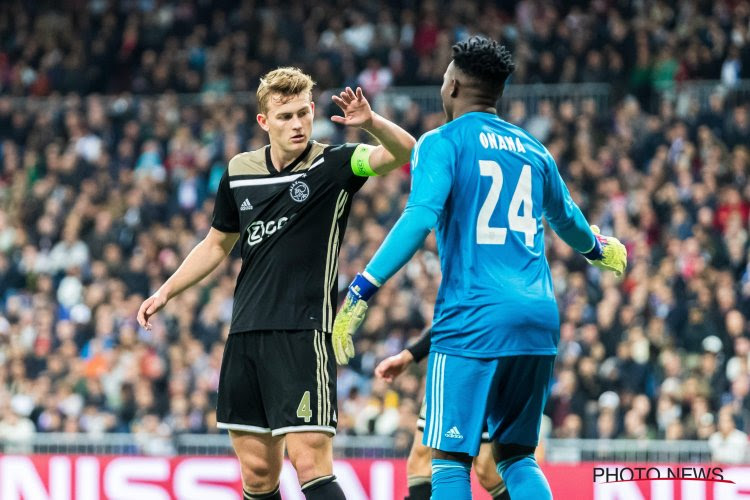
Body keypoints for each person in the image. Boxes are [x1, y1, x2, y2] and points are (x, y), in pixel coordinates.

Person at [332, 37, 626, 500]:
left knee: (448, 461)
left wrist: (362, 289)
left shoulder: (441, 142)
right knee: (515, 456)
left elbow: (419, 217)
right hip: (538, 319)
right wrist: (597, 250)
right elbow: (567, 218)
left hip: (472, 320)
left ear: (452, 86)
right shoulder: (534, 149)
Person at [137, 67, 415, 500]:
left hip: (303, 334)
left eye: (304, 112)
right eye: (285, 116)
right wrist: (165, 291)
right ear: (264, 122)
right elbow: (216, 244)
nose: (298, 123)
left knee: (311, 464)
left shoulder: (336, 163)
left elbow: (401, 153)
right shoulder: (239, 171)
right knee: (258, 475)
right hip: (245, 334)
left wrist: (373, 123)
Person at [376, 328, 510, 500]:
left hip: (460, 365)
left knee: (446, 466)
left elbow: (451, 316)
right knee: (486, 471)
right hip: (487, 359)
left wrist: (408, 356)